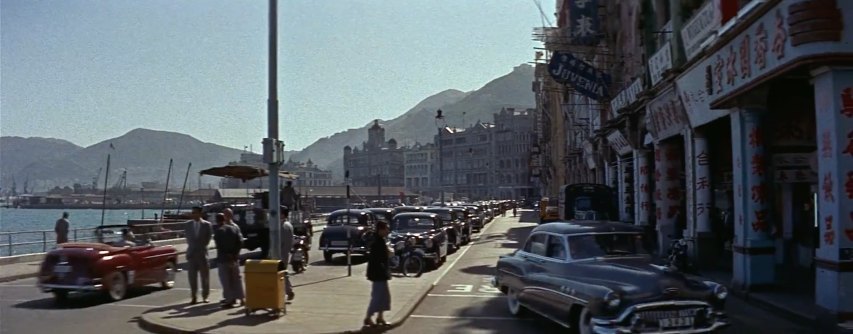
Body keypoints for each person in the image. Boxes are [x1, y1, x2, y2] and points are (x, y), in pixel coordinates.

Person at [364, 220, 392, 328]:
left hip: (380, 272)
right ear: (381, 230)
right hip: (378, 273)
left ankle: (380, 317)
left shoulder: (380, 240)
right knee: (377, 296)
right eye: (386, 229)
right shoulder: (377, 242)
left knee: (384, 296)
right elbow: (378, 259)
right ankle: (368, 317)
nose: (388, 231)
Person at [214, 210, 245, 308]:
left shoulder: (219, 230)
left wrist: (229, 254)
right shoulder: (234, 228)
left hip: (224, 259)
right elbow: (240, 242)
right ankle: (240, 298)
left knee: (227, 280)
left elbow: (219, 246)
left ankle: (230, 299)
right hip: (234, 258)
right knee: (236, 279)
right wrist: (234, 254)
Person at [184, 206, 212, 304]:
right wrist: (191, 249)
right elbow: (187, 238)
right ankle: (193, 296)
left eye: (195, 212)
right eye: (192, 212)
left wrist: (200, 247)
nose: (193, 214)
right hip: (191, 254)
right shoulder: (188, 225)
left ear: (200, 214)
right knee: (192, 277)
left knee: (204, 277)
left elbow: (207, 240)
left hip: (202, 254)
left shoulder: (207, 225)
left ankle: (205, 296)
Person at [280, 217, 296, 300]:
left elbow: (279, 242)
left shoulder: (282, 226)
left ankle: (289, 291)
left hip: (281, 253)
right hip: (286, 252)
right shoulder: (289, 224)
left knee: (281, 272)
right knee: (283, 272)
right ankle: (288, 291)